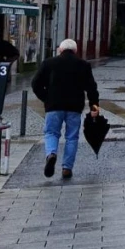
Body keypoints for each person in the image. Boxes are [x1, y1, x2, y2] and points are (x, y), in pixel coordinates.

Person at [31, 39, 100, 180]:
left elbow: (35, 84)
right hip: (74, 107)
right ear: (75, 51)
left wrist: (46, 98)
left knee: (51, 132)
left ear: (60, 50)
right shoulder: (83, 65)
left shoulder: (49, 63)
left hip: (53, 106)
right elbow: (92, 88)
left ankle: (51, 154)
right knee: (72, 137)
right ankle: (67, 168)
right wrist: (94, 107)